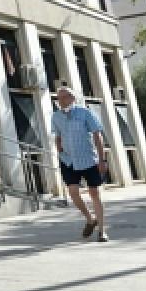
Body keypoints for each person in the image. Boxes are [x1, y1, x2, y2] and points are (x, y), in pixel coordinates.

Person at [52, 87, 109, 241]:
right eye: (59, 98)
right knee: (73, 192)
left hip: (88, 158)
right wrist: (58, 147)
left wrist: (102, 159)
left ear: (72, 98)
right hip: (68, 160)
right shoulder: (56, 116)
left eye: (65, 97)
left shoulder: (85, 113)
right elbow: (57, 134)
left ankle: (102, 231)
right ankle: (90, 219)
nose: (62, 101)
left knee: (94, 193)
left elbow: (97, 135)